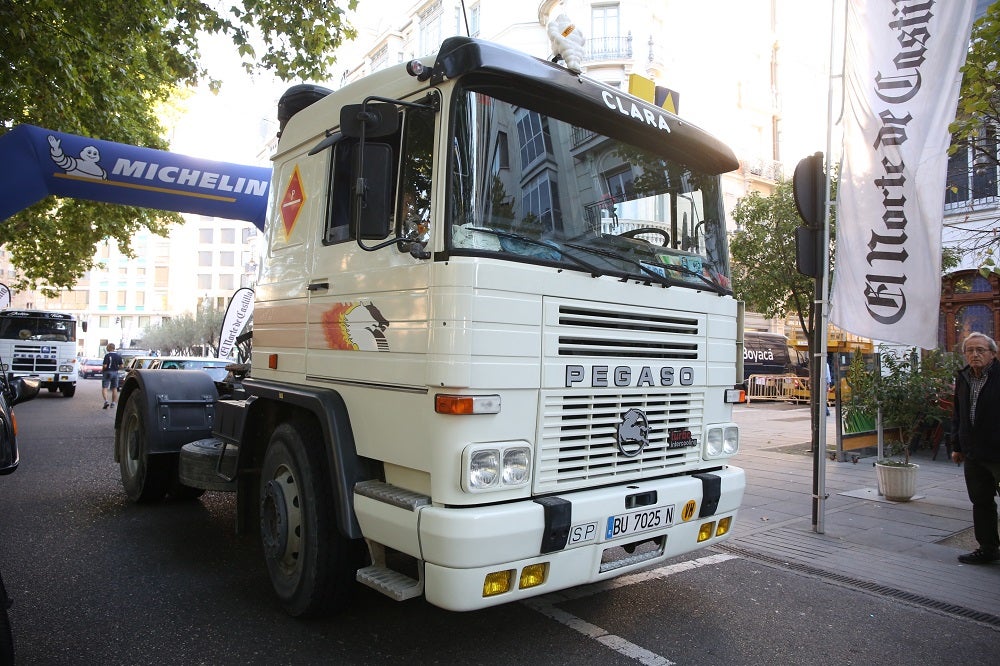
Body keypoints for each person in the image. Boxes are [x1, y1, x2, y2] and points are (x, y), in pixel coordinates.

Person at [951, 331, 1000, 565]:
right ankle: (988, 548)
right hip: (973, 453)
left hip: (997, 451)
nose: (975, 354)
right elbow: (958, 414)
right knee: (981, 501)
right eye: (970, 350)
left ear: (993, 353)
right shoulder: (964, 377)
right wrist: (957, 446)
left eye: (980, 350)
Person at [101, 343, 123, 410]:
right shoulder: (118, 356)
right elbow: (121, 366)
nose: (106, 348)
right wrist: (116, 369)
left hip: (107, 372)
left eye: (107, 347)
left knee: (105, 387)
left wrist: (103, 370)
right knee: (114, 388)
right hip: (115, 373)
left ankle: (106, 401)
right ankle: (113, 403)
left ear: (109, 348)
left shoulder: (107, 356)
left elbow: (105, 366)